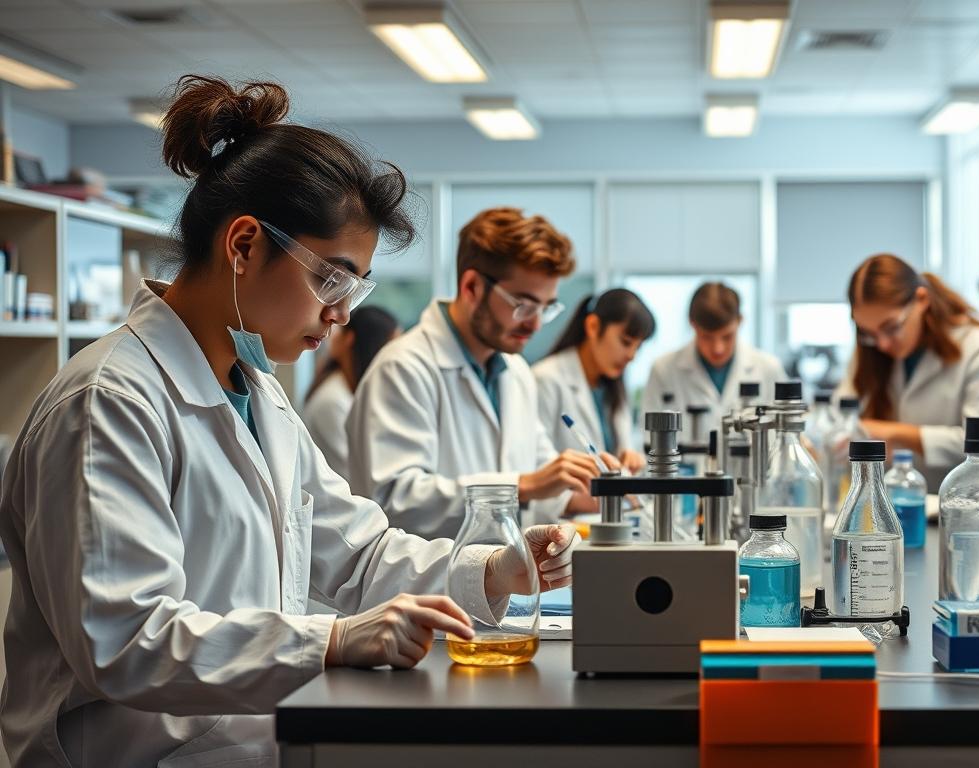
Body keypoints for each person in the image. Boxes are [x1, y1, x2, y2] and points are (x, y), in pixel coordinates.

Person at [0, 76, 577, 767]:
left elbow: (359, 555)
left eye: (354, 287)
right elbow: (125, 640)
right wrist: (331, 640)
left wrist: (497, 569)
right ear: (244, 245)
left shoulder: (260, 396)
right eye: (331, 278)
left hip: (248, 747)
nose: (342, 314)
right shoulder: (109, 402)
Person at [347, 207, 615, 539]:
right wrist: (521, 485)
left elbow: (538, 476)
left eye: (545, 308)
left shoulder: (516, 372)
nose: (535, 324)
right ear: (472, 287)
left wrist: (585, 491)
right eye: (523, 305)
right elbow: (395, 499)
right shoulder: (403, 368)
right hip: (430, 570)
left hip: (503, 566)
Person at [837, 254, 979, 488]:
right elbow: (839, 419)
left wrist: (895, 433)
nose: (883, 344)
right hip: (889, 498)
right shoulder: (870, 350)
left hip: (959, 499)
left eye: (891, 327)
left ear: (921, 300)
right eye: (868, 333)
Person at [533, 289, 656, 473]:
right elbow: (536, 464)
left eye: (638, 347)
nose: (631, 356)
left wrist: (630, 460)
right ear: (593, 326)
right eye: (625, 342)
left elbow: (618, 457)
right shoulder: (546, 379)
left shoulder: (613, 388)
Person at [641, 281, 785, 422]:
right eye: (707, 337)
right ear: (692, 324)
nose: (718, 348)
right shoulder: (663, 370)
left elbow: (785, 425)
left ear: (740, 321)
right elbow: (648, 432)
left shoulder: (769, 368)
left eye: (727, 336)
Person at [302, 305, 400, 480]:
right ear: (351, 340)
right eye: (390, 349)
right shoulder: (332, 403)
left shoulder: (348, 393)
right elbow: (356, 479)